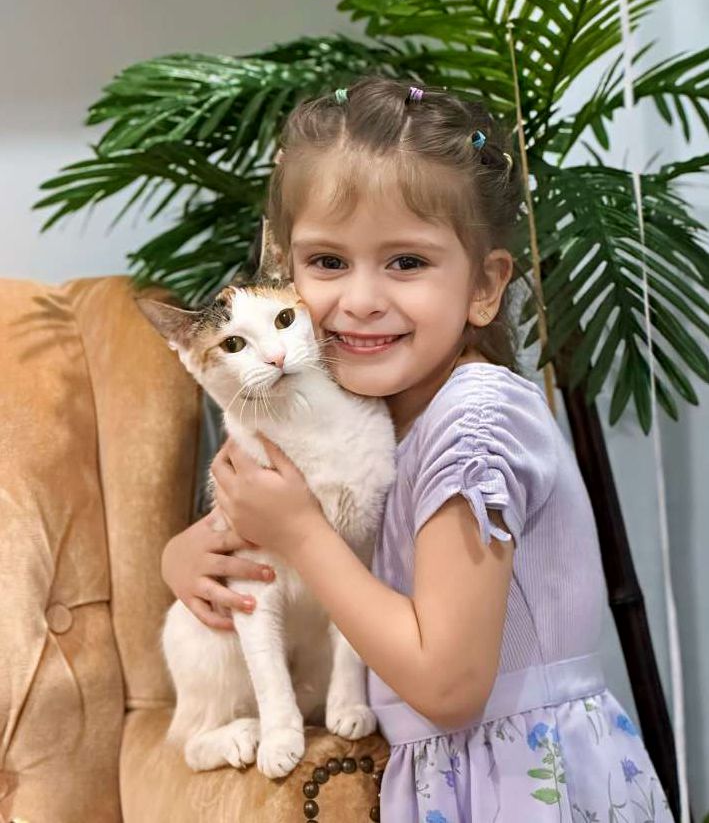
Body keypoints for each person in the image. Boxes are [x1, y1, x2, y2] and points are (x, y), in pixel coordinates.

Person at [161, 77, 673, 821]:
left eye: (405, 262)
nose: (361, 298)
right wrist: (183, 559)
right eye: (328, 262)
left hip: (527, 787)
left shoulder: (474, 424)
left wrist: (300, 530)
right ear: (284, 274)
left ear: (484, 286)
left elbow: (448, 685)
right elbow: (263, 540)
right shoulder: (374, 418)